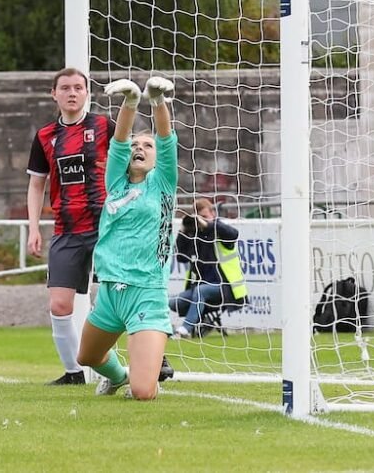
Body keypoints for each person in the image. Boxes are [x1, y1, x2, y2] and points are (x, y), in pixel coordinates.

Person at [75, 76, 177, 400]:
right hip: (110, 291)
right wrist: (131, 104)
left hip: (146, 293)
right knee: (87, 358)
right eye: (136, 145)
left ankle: (143, 374)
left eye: (146, 146)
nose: (139, 149)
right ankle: (116, 376)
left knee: (144, 392)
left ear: (157, 158)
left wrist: (157, 101)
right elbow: (118, 142)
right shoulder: (116, 185)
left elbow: (166, 139)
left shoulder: (163, 184)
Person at [26, 67, 115, 385]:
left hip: (107, 227)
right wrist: (34, 228)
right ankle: (73, 373)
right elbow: (37, 185)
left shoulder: (105, 126)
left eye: (78, 87)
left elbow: (133, 164)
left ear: (87, 92)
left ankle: (151, 357)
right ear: (54, 93)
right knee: (60, 303)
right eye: (65, 87)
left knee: (118, 297)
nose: (72, 92)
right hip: (67, 229)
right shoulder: (45, 136)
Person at [169, 198, 247, 338]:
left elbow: (233, 234)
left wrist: (209, 224)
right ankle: (203, 321)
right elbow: (181, 257)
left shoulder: (219, 230)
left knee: (200, 291)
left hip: (225, 287)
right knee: (174, 302)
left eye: (205, 216)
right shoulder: (195, 235)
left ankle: (185, 330)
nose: (202, 220)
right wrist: (183, 230)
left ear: (213, 214)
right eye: (199, 217)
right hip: (200, 288)